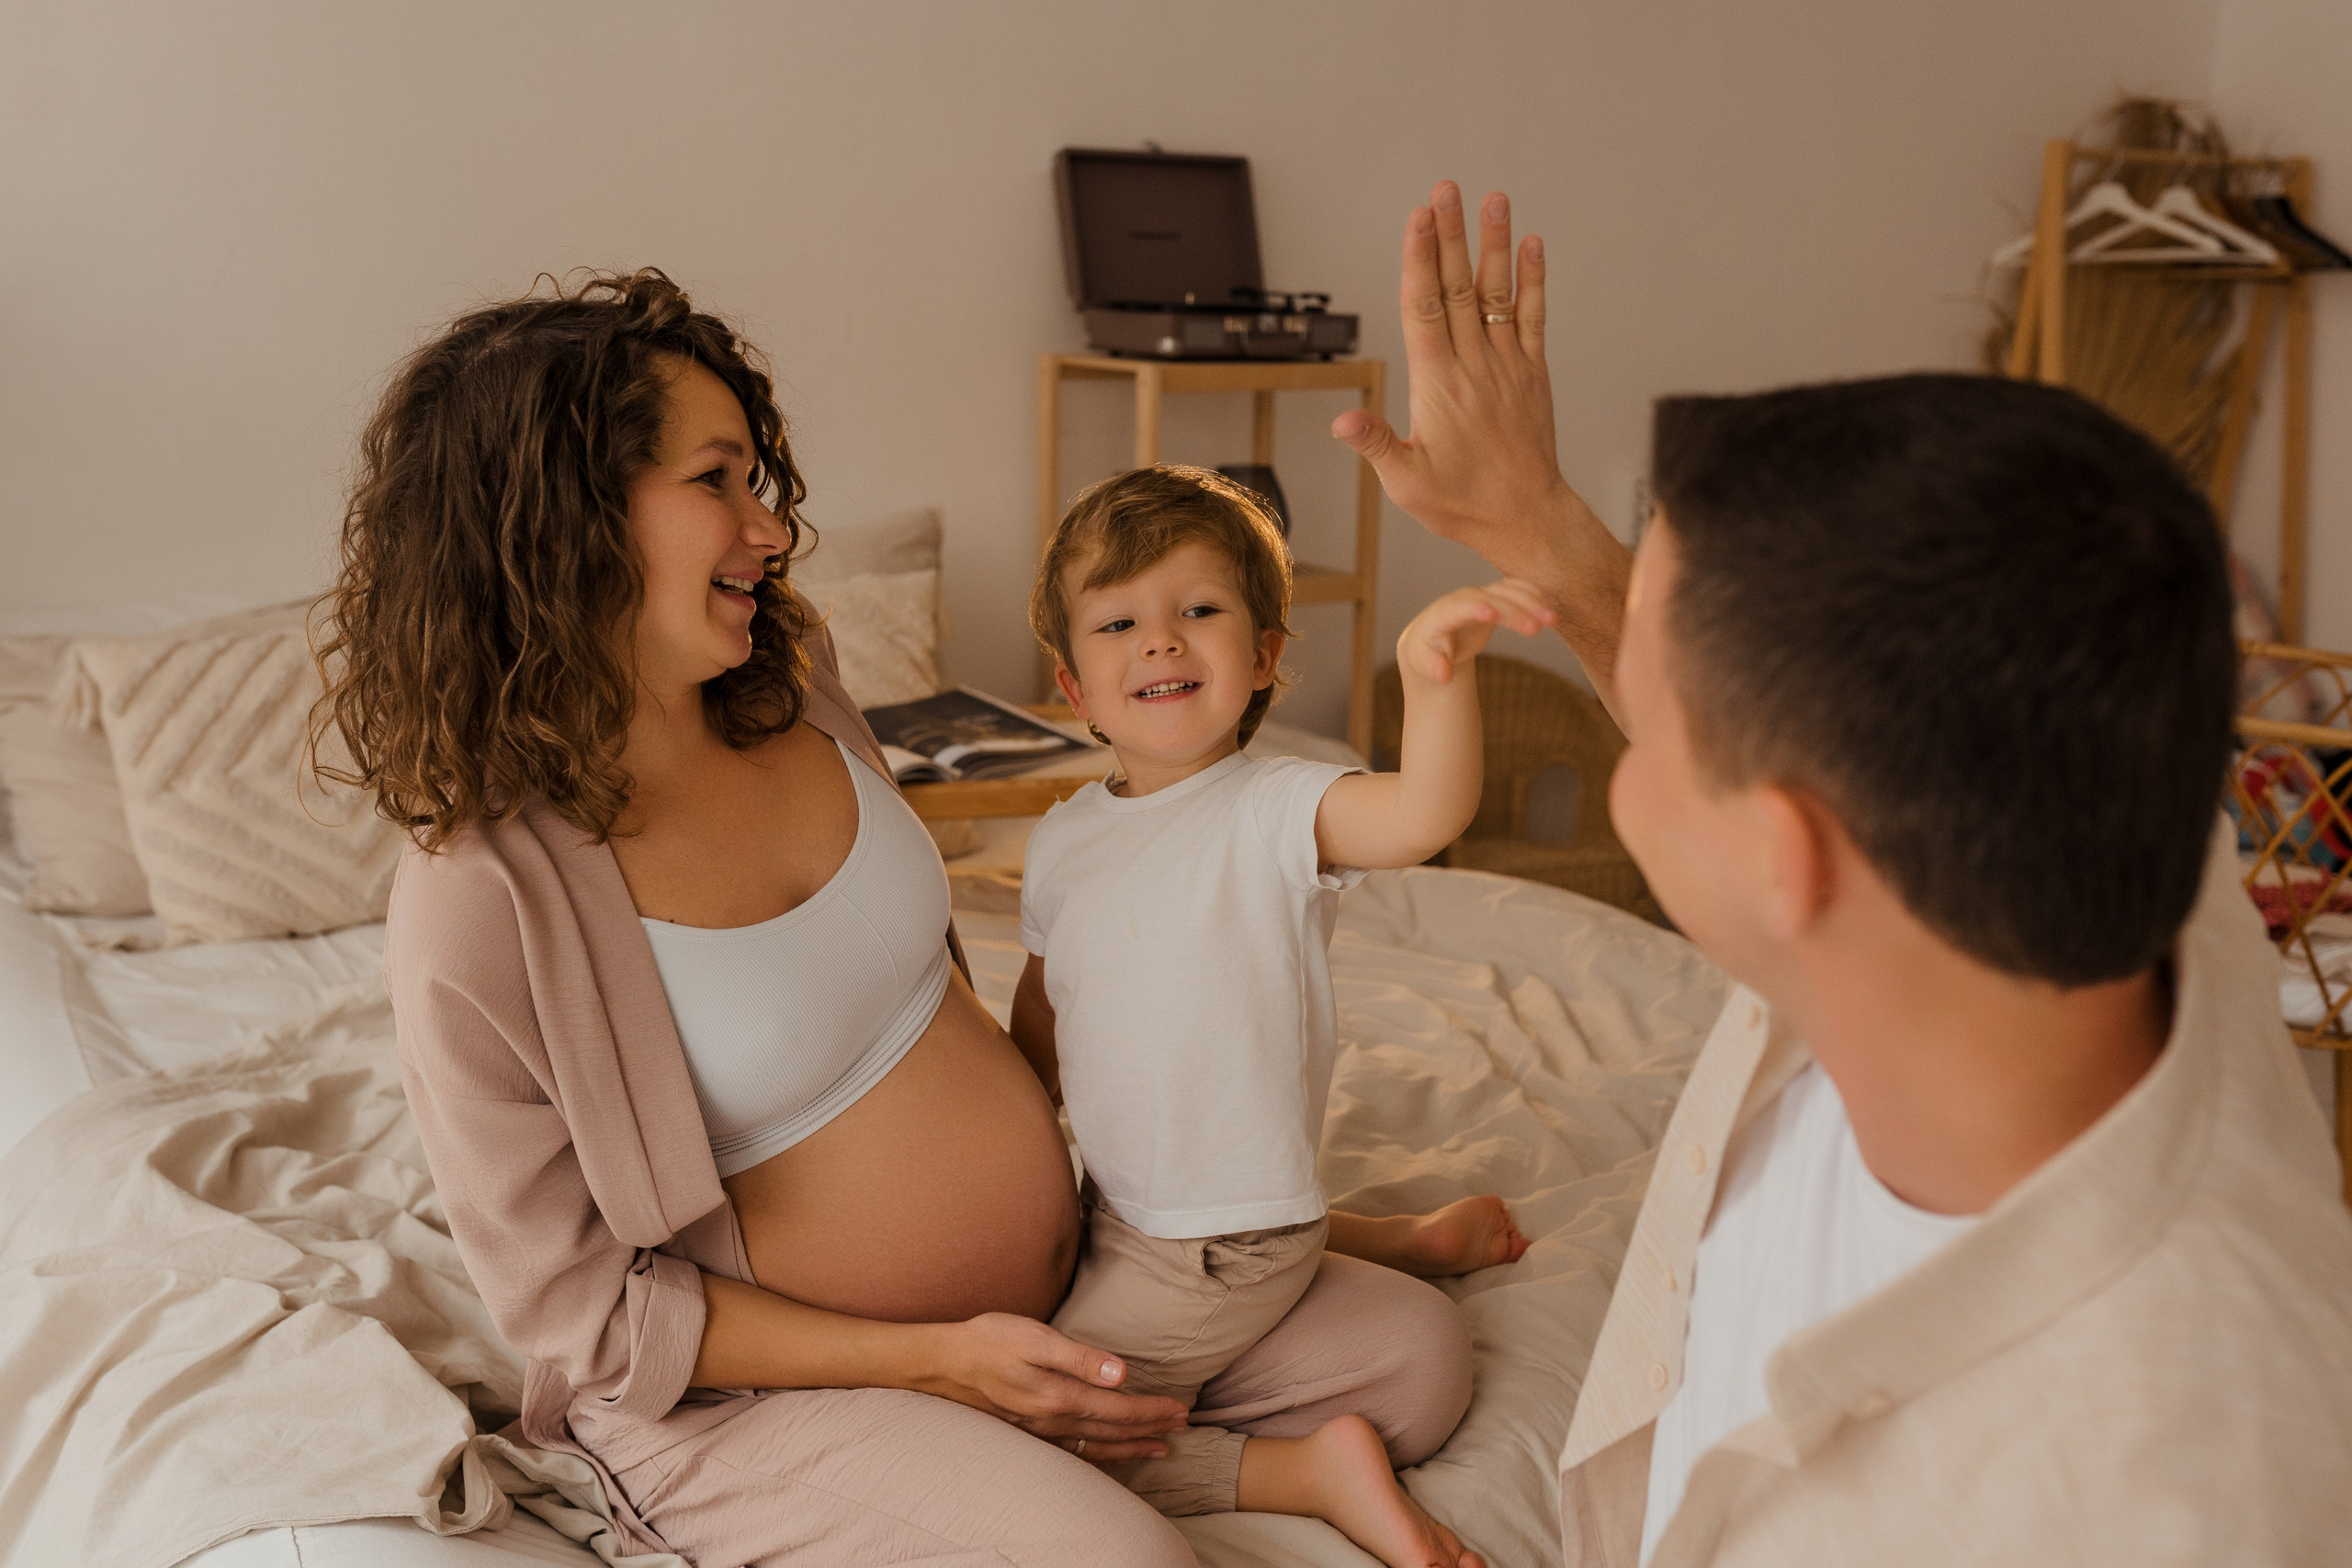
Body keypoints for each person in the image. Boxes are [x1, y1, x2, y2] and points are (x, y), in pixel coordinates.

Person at [322, 269, 1481, 1567]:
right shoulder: (483, 898)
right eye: (718, 481)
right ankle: (1043, 1462)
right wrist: (939, 1359)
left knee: (1417, 1363)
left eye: (758, 481)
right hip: (779, 1395)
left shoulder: (793, 678)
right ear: (562, 519)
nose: (768, 532)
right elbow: (583, 1311)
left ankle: (1070, 1441)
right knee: (1126, 1564)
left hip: (1063, 1273)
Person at [1328, 181, 2352, 1565]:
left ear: (1788, 854)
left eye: (1658, 716)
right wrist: (1547, 531)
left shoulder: (2145, 1495)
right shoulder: (2105, 852)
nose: (1627, 715)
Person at [1012, 464, 1542, 1568]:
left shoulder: (1274, 805)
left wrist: (1432, 683)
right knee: (1419, 1364)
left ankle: (1305, 1472)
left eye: (1197, 611)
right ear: (1074, 686)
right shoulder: (1063, 837)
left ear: (1260, 659)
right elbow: (1047, 997)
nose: (1161, 642)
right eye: (1121, 623)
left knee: (1038, 1426)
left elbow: (1419, 816)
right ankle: (1393, 1239)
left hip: (1217, 1243)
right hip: (1130, 1207)